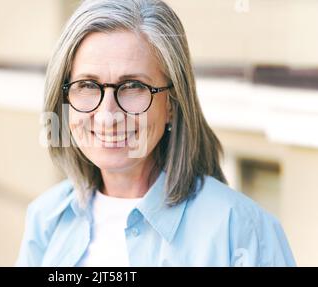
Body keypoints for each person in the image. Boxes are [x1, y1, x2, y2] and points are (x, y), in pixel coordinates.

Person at [15, 0, 296, 266]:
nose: (107, 116)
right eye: (88, 85)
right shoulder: (46, 220)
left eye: (134, 86)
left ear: (172, 104)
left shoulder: (242, 231)